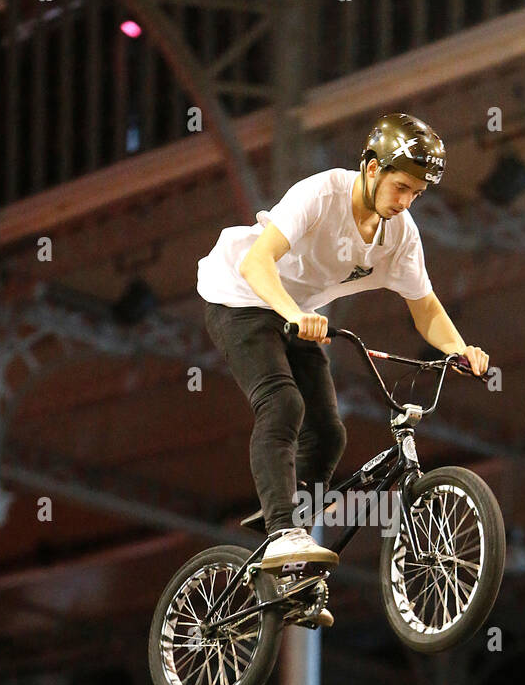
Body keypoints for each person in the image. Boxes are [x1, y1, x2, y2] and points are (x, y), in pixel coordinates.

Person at [197, 112, 490, 627]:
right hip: (240, 296)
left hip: (296, 312)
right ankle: (283, 530)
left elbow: (425, 307)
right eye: (401, 187)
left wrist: (460, 348)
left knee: (329, 433)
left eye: (416, 194)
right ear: (372, 168)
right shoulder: (321, 195)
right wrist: (293, 315)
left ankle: (288, 557)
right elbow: (257, 263)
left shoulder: (399, 235)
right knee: (283, 403)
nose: (405, 202)